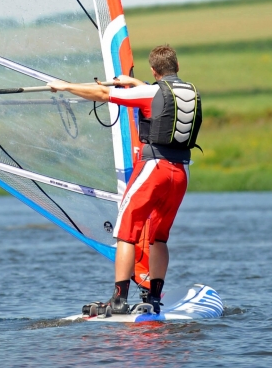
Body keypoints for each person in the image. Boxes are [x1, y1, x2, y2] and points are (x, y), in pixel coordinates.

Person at [49, 44, 201, 315]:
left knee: (126, 234)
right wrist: (133, 82)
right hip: (181, 173)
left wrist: (65, 86)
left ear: (153, 70)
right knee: (159, 238)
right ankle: (154, 298)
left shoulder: (150, 92)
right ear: (177, 67)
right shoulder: (190, 91)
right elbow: (159, 95)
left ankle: (118, 300)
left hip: (154, 169)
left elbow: (102, 93)